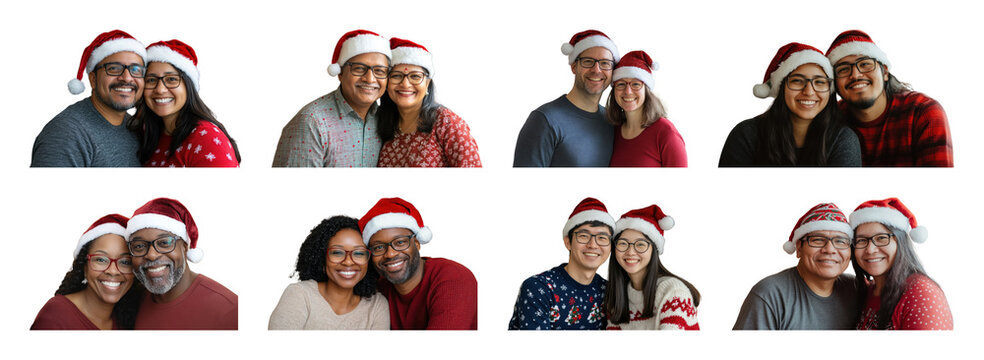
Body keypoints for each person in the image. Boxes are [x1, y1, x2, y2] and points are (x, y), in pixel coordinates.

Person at [720, 42, 860, 167]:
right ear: (782, 88)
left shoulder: (843, 139)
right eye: (797, 81)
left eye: (819, 82)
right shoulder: (746, 134)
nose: (809, 92)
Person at [826, 30, 953, 167]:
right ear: (834, 83)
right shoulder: (829, 120)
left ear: (885, 72)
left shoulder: (922, 112)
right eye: (843, 69)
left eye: (865, 64)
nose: (855, 75)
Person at [273, 30, 390, 167]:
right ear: (340, 73)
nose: (370, 79)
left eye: (379, 71)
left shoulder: (385, 119)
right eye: (359, 68)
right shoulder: (311, 123)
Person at [733, 203, 858, 330]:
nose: (830, 249)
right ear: (798, 248)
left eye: (840, 241)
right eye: (818, 240)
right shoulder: (769, 295)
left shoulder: (856, 289)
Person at [359, 197, 477, 329]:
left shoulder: (453, 278)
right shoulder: (378, 289)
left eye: (400, 242)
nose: (390, 254)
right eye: (379, 247)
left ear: (417, 243)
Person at [32, 30, 145, 167]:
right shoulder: (67, 133)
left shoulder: (135, 127)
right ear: (93, 79)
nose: (127, 78)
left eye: (136, 70)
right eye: (114, 68)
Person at [126, 197, 237, 329]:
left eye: (164, 243)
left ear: (185, 247)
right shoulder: (133, 303)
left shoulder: (229, 311)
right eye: (139, 246)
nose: (151, 255)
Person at [513, 30, 620, 167]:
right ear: (574, 67)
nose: (596, 70)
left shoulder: (612, 121)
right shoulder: (545, 120)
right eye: (588, 61)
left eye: (605, 63)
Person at [129, 40, 240, 167]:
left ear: (188, 86)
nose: (160, 89)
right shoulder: (147, 132)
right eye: (151, 80)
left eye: (171, 79)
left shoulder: (207, 138)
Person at [509, 197, 614, 330]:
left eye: (602, 238)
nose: (593, 245)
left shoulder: (610, 292)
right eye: (583, 236)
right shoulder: (539, 288)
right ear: (568, 242)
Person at [269, 215, 389, 330]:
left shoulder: (376, 306)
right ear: (322, 257)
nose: (348, 262)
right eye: (337, 252)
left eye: (359, 253)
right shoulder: (300, 295)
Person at [849, 198, 953, 330]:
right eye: (862, 240)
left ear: (901, 242)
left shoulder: (922, 293)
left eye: (881, 238)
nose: (870, 249)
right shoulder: (864, 291)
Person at [376, 38, 481, 167]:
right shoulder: (380, 120)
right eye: (396, 75)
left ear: (427, 83)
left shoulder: (446, 122)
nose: (405, 84)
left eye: (415, 76)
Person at [32, 214, 141, 330]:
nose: (113, 271)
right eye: (101, 260)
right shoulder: (55, 315)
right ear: (84, 266)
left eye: (125, 262)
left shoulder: (128, 317)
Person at [604, 204, 699, 330]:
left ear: (654, 250)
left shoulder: (674, 292)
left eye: (640, 244)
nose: (630, 252)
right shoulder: (616, 297)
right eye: (623, 243)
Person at [607, 51, 687, 167]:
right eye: (621, 84)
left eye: (636, 84)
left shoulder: (666, 133)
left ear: (646, 89)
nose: (628, 91)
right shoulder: (612, 130)